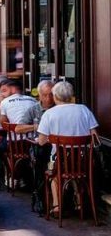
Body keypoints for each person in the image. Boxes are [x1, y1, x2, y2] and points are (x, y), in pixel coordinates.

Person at [37, 81, 99, 217]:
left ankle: (57, 206)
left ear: (55, 96)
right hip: (83, 161)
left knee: (54, 174)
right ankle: (79, 202)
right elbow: (94, 136)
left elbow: (41, 142)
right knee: (76, 171)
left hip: (60, 162)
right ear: (71, 95)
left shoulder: (49, 113)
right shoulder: (84, 109)